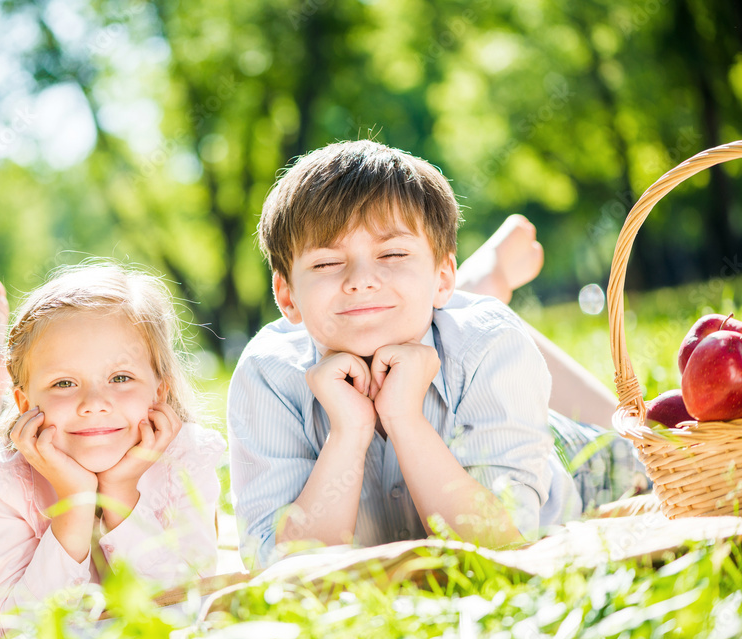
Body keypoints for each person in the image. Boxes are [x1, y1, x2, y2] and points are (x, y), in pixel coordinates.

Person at [228, 140, 644, 570]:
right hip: (439, 324)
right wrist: (348, 433)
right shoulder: (267, 375)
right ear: (286, 296)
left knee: (649, 439)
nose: (360, 280)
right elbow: (279, 571)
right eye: (327, 263)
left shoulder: (489, 344)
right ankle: (481, 278)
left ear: (444, 276)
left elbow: (501, 544)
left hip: (570, 460)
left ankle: (479, 283)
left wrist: (406, 420)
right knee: (427, 310)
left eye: (391, 254)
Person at [0, 264, 224, 635]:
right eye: (64, 382)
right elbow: (17, 625)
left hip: (18, 463)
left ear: (160, 390)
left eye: (120, 378)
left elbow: (186, 601)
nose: (94, 402)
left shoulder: (185, 459)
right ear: (25, 403)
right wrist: (74, 502)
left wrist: (121, 492)